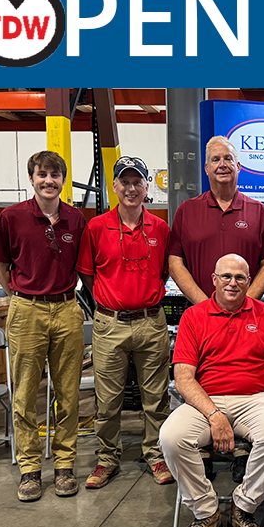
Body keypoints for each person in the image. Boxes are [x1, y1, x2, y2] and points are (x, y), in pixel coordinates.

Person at [160, 253, 264, 527]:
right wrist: (214, 414)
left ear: (250, 282)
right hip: (204, 399)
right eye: (226, 276)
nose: (232, 283)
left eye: (239, 277)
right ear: (213, 280)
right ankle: (206, 513)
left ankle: (243, 510)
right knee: (171, 436)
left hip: (255, 399)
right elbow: (183, 378)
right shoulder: (194, 317)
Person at [0, 150, 87, 501]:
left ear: (62, 180)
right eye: (42, 174)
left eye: (55, 174)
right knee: (25, 393)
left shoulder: (76, 220)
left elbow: (82, 267)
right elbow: (1, 267)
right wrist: (20, 297)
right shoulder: (11, 217)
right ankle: (30, 469)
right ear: (31, 179)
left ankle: (64, 465)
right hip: (26, 310)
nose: (49, 180)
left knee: (68, 393)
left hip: (66, 309)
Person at [76, 155, 175, 489]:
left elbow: (164, 271)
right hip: (110, 324)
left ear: (147, 187)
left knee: (156, 396)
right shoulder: (96, 228)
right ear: (114, 186)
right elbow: (87, 275)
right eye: (125, 182)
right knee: (107, 399)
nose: (131, 188)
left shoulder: (161, 229)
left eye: (138, 182)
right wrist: (110, 300)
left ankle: (156, 455)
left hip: (150, 321)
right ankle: (107, 459)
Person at [167, 136, 264, 305]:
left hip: (247, 315)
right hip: (200, 314)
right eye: (215, 159)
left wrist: (244, 304)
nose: (222, 165)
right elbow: (175, 264)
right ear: (206, 168)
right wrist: (205, 307)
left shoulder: (259, 211)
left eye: (228, 158)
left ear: (238, 166)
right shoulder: (186, 211)